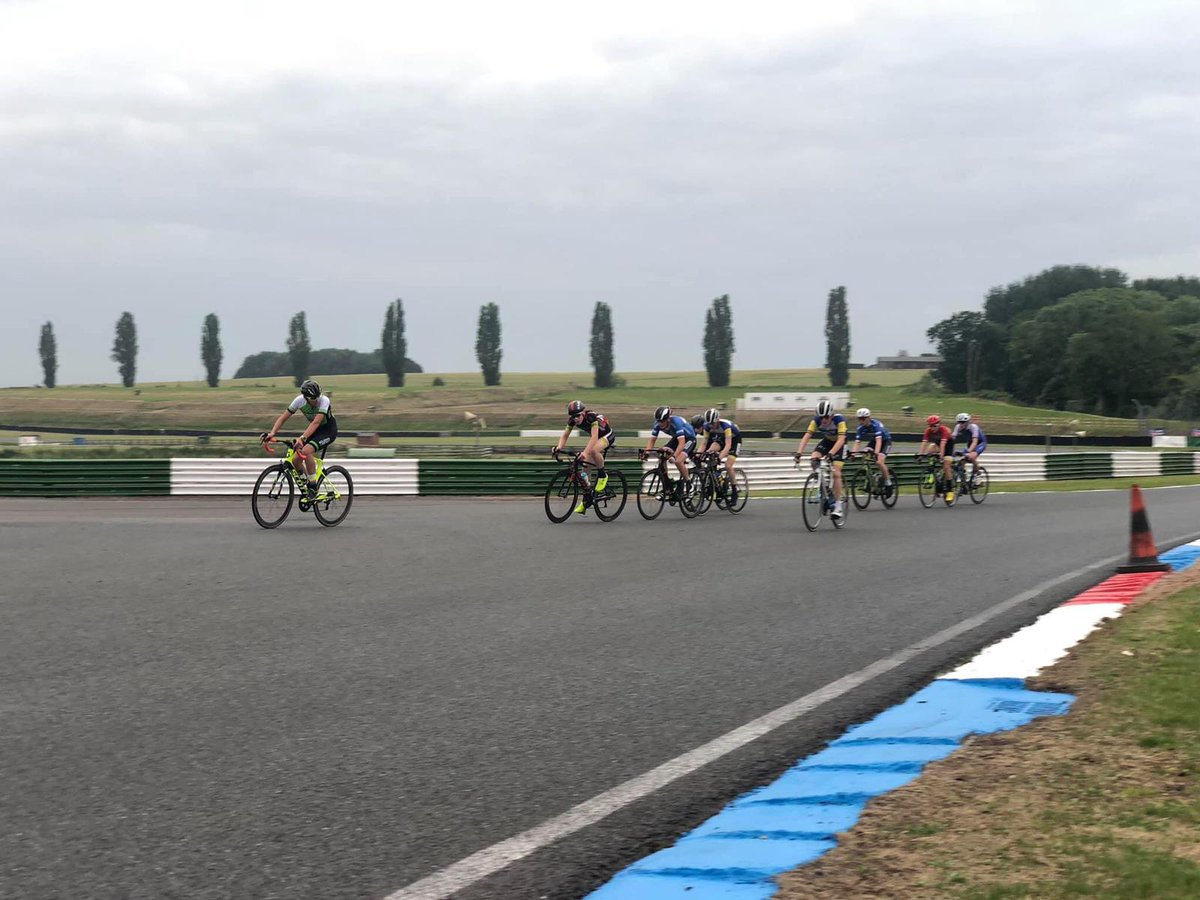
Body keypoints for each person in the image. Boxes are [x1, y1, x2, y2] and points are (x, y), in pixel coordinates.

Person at [261, 379, 338, 497]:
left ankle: (313, 486)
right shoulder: (299, 401)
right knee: (295, 460)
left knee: (306, 451)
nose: (317, 401)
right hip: (314, 431)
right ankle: (306, 484)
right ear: (306, 397)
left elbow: (316, 422)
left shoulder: (324, 400)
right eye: (313, 399)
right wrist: (272, 433)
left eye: (318, 397)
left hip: (328, 431)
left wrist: (302, 438)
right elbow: (283, 418)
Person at [554, 400, 615, 514]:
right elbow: (565, 435)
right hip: (596, 438)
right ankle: (587, 500)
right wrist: (559, 448)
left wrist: (585, 453)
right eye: (573, 416)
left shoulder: (591, 417)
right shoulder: (572, 420)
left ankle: (603, 475)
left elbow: (594, 437)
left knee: (592, 450)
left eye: (577, 416)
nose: (575, 419)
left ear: (583, 413)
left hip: (607, 435)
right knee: (584, 471)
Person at [794, 399, 848, 519]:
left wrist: (831, 454)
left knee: (837, 473)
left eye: (827, 417)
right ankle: (824, 489)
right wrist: (799, 453)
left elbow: (841, 440)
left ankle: (838, 506)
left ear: (831, 415)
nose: (824, 420)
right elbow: (806, 436)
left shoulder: (839, 420)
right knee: (814, 459)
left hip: (840, 445)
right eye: (821, 417)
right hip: (827, 441)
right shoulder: (816, 421)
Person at [642, 406, 697, 496]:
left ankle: (689, 484)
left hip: (689, 439)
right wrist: (646, 453)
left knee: (679, 461)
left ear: (668, 419)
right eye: (658, 421)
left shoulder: (676, 423)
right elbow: (652, 440)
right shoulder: (657, 424)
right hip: (677, 438)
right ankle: (667, 485)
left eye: (662, 421)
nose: (660, 423)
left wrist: (674, 456)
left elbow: (682, 443)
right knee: (662, 455)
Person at [700, 407, 742, 504]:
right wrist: (699, 455)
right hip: (721, 439)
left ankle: (734, 491)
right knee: (710, 450)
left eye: (713, 423)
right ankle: (717, 479)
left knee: (728, 465)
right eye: (709, 424)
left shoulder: (726, 426)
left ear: (718, 420)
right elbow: (704, 443)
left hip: (734, 441)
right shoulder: (707, 426)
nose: (711, 426)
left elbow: (728, 445)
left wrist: (719, 458)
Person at [851, 407, 894, 497]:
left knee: (879, 461)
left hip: (885, 441)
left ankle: (888, 483)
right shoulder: (860, 428)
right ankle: (870, 478)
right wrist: (853, 454)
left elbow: (879, 441)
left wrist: (877, 453)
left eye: (863, 419)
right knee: (864, 452)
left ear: (868, 418)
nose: (861, 421)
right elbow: (857, 442)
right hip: (874, 441)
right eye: (859, 419)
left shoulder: (876, 425)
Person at [918, 414, 956, 502]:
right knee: (931, 447)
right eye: (930, 426)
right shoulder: (928, 431)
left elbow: (943, 445)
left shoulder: (944, 430)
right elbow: (924, 443)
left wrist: (941, 457)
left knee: (946, 466)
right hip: (938, 444)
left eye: (934, 425)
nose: (932, 428)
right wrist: (920, 455)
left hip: (948, 445)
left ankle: (950, 490)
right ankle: (932, 471)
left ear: (939, 424)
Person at [951, 413, 987, 482]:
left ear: (967, 422)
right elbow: (952, 440)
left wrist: (969, 451)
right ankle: (964, 480)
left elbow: (975, 442)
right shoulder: (957, 427)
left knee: (971, 456)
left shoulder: (973, 427)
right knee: (961, 461)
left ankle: (977, 474)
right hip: (970, 443)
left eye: (963, 422)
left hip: (980, 443)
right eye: (959, 422)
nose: (961, 424)